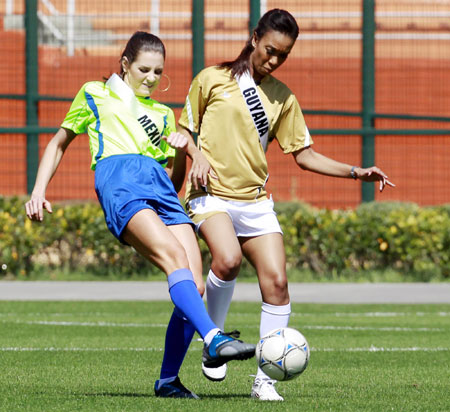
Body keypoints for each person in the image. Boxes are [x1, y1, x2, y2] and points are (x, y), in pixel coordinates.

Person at [177, 9, 395, 401]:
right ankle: (215, 343)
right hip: (211, 195)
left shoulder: (284, 98)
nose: (274, 60)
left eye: (283, 55)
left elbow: (304, 155)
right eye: (270, 50)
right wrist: (197, 155)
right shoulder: (210, 80)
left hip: (255, 201)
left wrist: (355, 172)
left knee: (277, 283)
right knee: (226, 260)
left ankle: (265, 380)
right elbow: (182, 131)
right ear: (254, 37)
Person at [24, 31, 256, 400]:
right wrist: (38, 192)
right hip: (120, 182)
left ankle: (168, 382)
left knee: (194, 285)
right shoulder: (95, 93)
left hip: (160, 188)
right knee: (174, 258)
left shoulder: (164, 115)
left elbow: (174, 180)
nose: (150, 78)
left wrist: (183, 150)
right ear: (125, 65)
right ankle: (213, 337)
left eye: (158, 72)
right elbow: (58, 143)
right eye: (144, 69)